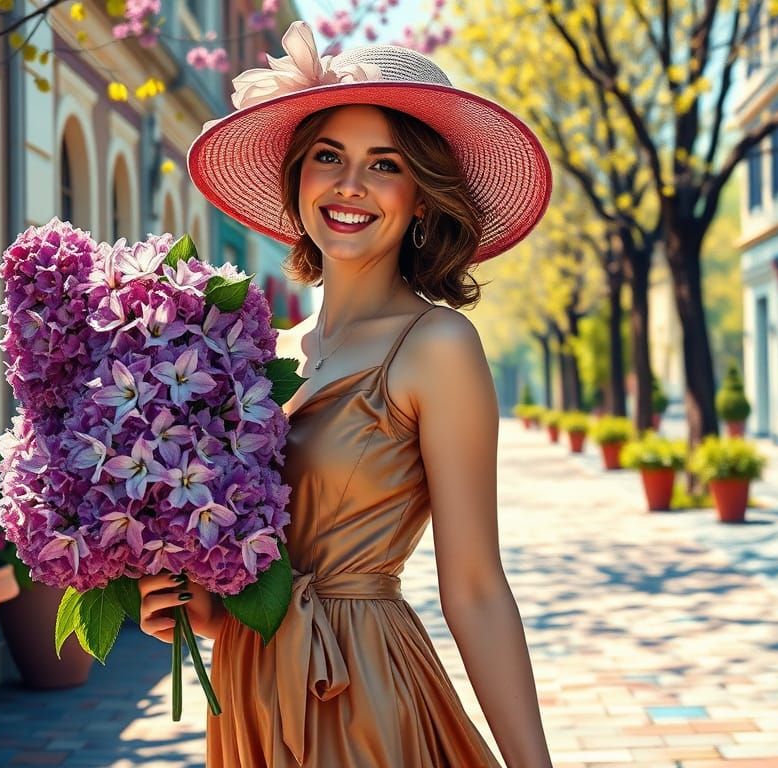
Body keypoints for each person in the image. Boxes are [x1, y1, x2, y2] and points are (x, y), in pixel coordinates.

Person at [139, 21, 553, 768]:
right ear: (299, 178)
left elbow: (476, 588)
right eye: (328, 156)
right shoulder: (259, 354)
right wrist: (198, 608)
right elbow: (256, 562)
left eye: (384, 164)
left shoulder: (437, 347)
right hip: (246, 689)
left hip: (361, 692)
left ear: (422, 198)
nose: (350, 185)